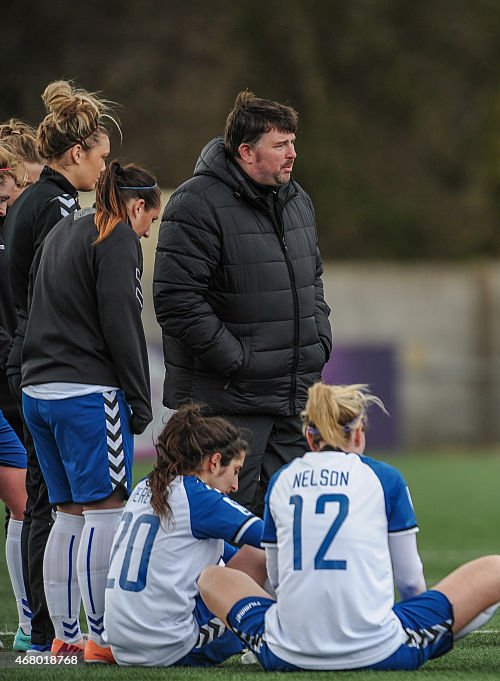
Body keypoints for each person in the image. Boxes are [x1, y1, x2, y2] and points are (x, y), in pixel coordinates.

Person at [197, 382, 500, 671]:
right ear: (359, 432)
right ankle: (423, 645)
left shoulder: (282, 479)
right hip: (378, 650)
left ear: (309, 437)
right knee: (498, 570)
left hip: (285, 652)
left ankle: (266, 642)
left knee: (212, 577)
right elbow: (410, 581)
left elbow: (278, 579)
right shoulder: (384, 477)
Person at [154, 90, 332, 517]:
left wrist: (318, 338)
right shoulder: (196, 203)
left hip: (292, 399)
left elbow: (314, 280)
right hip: (229, 404)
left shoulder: (296, 199)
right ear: (246, 152)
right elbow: (176, 301)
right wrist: (239, 361)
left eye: (292, 142)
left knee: (292, 520)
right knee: (229, 526)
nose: (293, 154)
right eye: (280, 145)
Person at [20, 162, 157, 662]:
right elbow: (122, 321)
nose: (146, 233)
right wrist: (139, 398)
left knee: (66, 513)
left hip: (39, 390)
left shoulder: (62, 230)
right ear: (137, 205)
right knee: (106, 508)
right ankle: (101, 638)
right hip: (85, 393)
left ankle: (65, 635)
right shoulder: (115, 234)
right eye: (150, 221)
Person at [4, 81, 115, 656]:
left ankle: (44, 628)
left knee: (49, 501)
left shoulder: (38, 200)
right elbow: (57, 292)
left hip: (28, 364)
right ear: (76, 154)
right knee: (55, 502)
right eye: (99, 155)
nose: (104, 167)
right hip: (41, 367)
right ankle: (50, 631)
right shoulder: (55, 205)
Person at [105, 404, 266, 667]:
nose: (236, 486)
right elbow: (271, 538)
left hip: (123, 646)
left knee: (242, 560)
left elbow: (226, 556)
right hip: (170, 647)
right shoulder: (197, 497)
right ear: (214, 462)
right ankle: (286, 636)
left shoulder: (146, 486)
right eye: (235, 471)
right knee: (262, 554)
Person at [0, 143, 31, 651]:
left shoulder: (16, 232)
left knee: (24, 505)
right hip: (8, 378)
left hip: (13, 383)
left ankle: (32, 626)